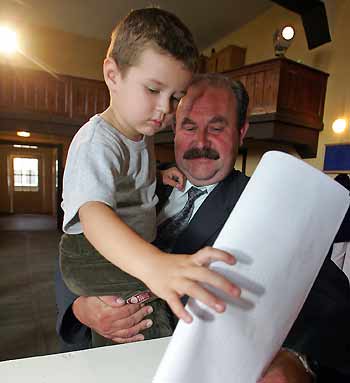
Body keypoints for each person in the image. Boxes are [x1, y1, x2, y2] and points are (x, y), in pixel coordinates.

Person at [56, 74, 350, 382]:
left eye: (217, 127)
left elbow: (333, 305)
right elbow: (77, 245)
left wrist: (295, 362)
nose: (201, 142)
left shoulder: (271, 204)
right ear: (174, 128)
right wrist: (80, 309)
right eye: (189, 126)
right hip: (105, 364)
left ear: (241, 131)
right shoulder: (136, 184)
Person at [59, 8, 240, 347]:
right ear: (113, 74)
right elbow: (94, 214)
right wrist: (154, 266)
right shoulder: (95, 141)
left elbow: (124, 181)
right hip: (90, 251)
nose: (164, 110)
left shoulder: (140, 132)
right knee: (147, 314)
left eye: (174, 98)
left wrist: (158, 174)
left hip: (114, 249)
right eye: (153, 90)